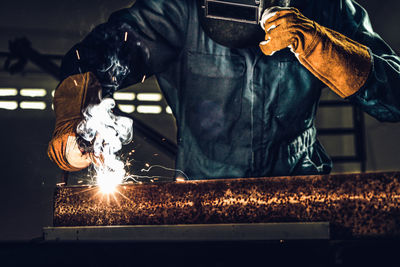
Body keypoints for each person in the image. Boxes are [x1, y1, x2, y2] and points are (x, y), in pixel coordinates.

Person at [48, 0, 400, 180]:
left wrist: (322, 44)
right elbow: (97, 56)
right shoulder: (175, 10)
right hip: (204, 203)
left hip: (300, 192)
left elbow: (394, 98)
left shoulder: (325, 7)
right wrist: (75, 120)